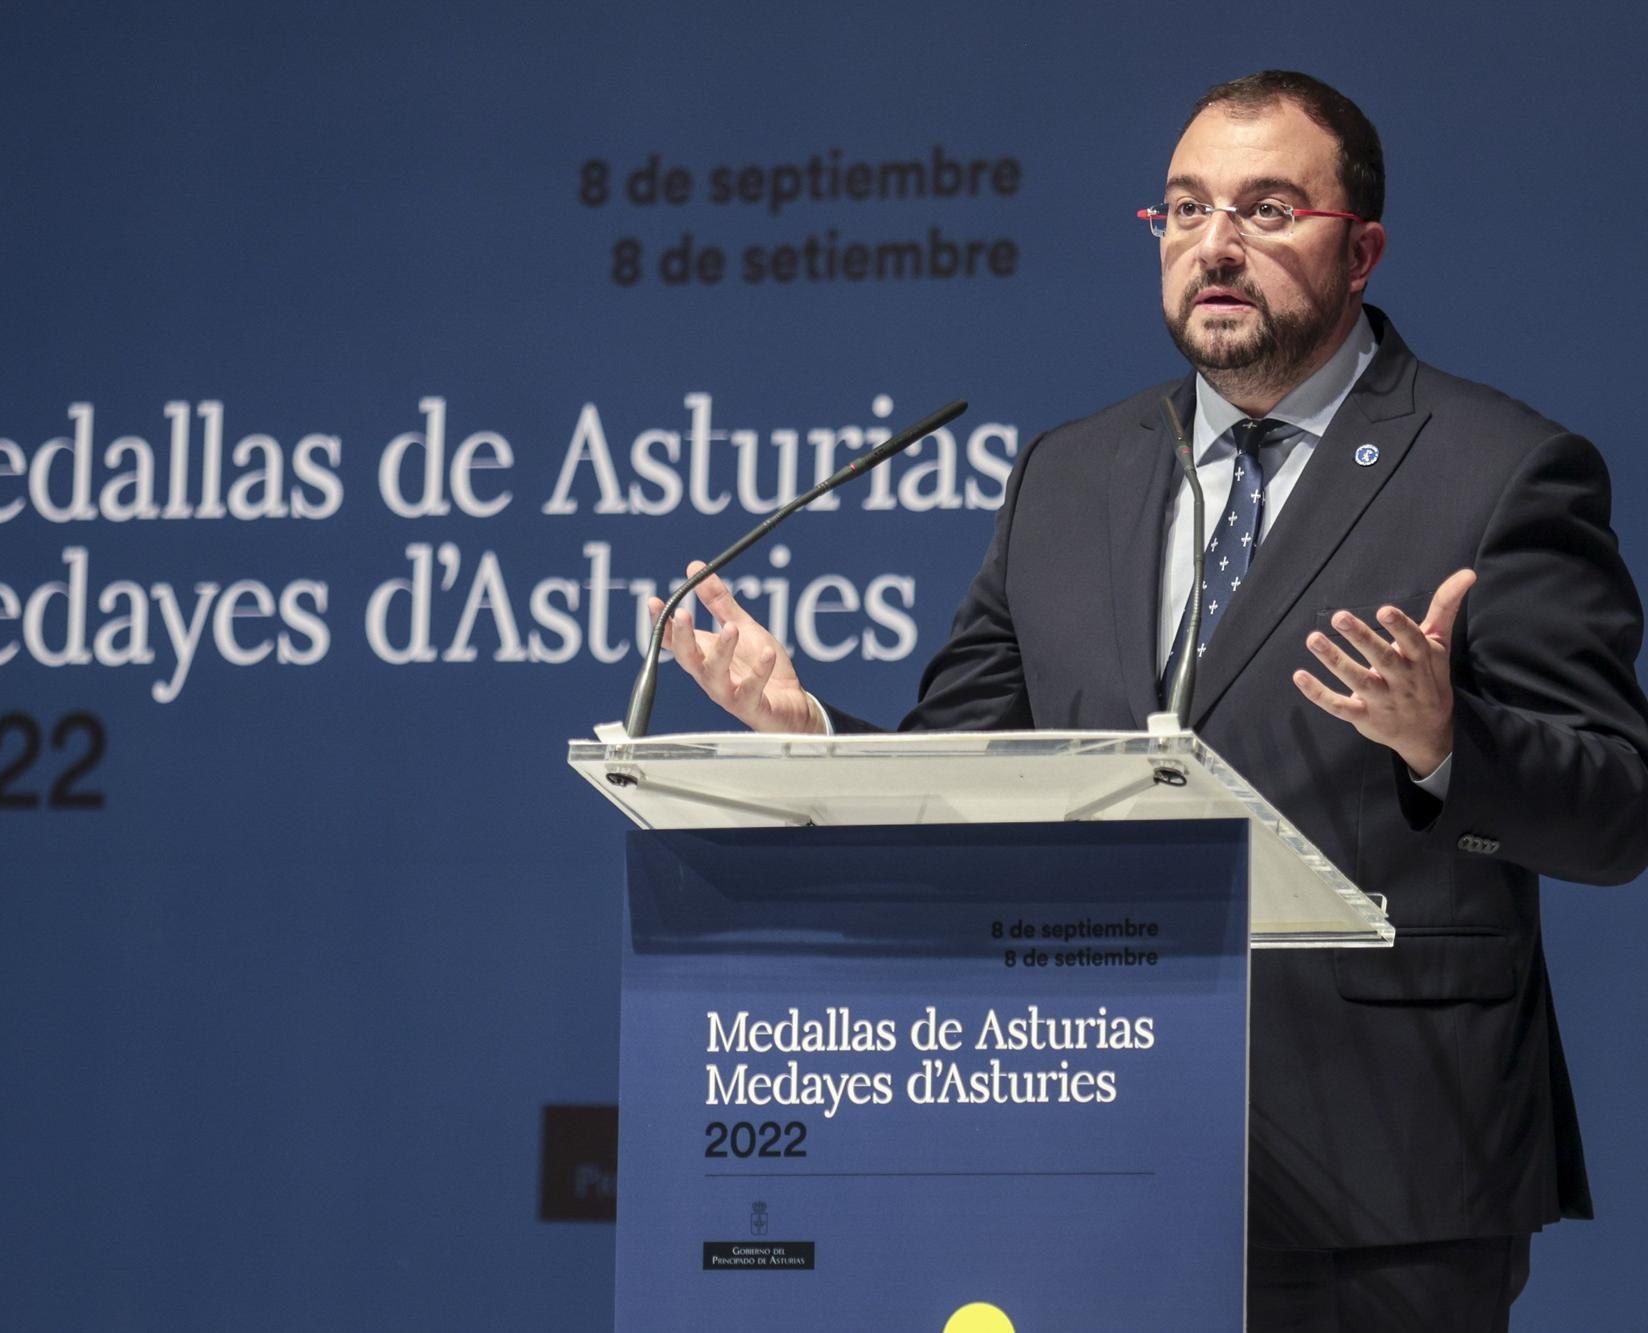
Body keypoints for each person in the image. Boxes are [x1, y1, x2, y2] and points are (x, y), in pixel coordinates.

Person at [650, 71, 1648, 1331]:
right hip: (1086, 1142)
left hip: (1382, 1169)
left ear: (1362, 251)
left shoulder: (1498, 469)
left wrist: (1447, 744)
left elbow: (1615, 810)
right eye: (1182, 211)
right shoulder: (1066, 476)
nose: (1214, 246)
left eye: (1266, 209)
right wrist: (811, 739)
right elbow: (964, 766)